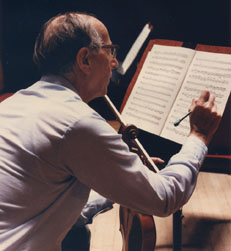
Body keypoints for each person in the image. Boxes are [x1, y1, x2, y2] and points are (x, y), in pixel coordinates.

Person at [0, 11, 221, 251]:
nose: (115, 62)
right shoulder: (78, 123)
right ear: (85, 60)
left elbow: (46, 208)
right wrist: (199, 134)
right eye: (110, 50)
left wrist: (118, 181)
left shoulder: (13, 103)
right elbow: (166, 199)